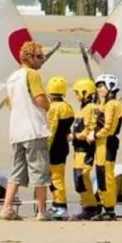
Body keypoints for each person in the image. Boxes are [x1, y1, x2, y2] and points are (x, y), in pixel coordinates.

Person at [0, 41, 52, 221]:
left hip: (16, 131)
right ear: (29, 57)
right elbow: (39, 99)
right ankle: (41, 211)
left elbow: (9, 103)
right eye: (39, 56)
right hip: (34, 129)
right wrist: (48, 104)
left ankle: (7, 207)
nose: (42, 60)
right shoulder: (32, 75)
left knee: (16, 171)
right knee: (40, 171)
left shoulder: (13, 77)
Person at [92, 73, 122, 221]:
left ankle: (109, 208)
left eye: (101, 86)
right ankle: (104, 205)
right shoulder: (106, 104)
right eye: (98, 86)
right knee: (101, 174)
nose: (99, 89)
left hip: (106, 142)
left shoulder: (112, 105)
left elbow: (109, 127)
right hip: (101, 143)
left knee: (106, 175)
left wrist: (94, 135)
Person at [71, 78, 102, 220]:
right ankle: (88, 205)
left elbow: (89, 130)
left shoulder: (90, 109)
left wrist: (73, 136)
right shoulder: (83, 109)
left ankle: (91, 207)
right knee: (79, 179)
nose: (76, 96)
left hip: (85, 149)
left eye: (77, 93)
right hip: (78, 150)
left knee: (81, 178)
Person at [45, 75, 75, 220]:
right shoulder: (68, 107)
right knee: (59, 176)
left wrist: (46, 148)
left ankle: (60, 206)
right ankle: (57, 204)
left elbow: (51, 129)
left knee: (55, 178)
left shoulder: (53, 108)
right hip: (63, 146)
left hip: (54, 148)